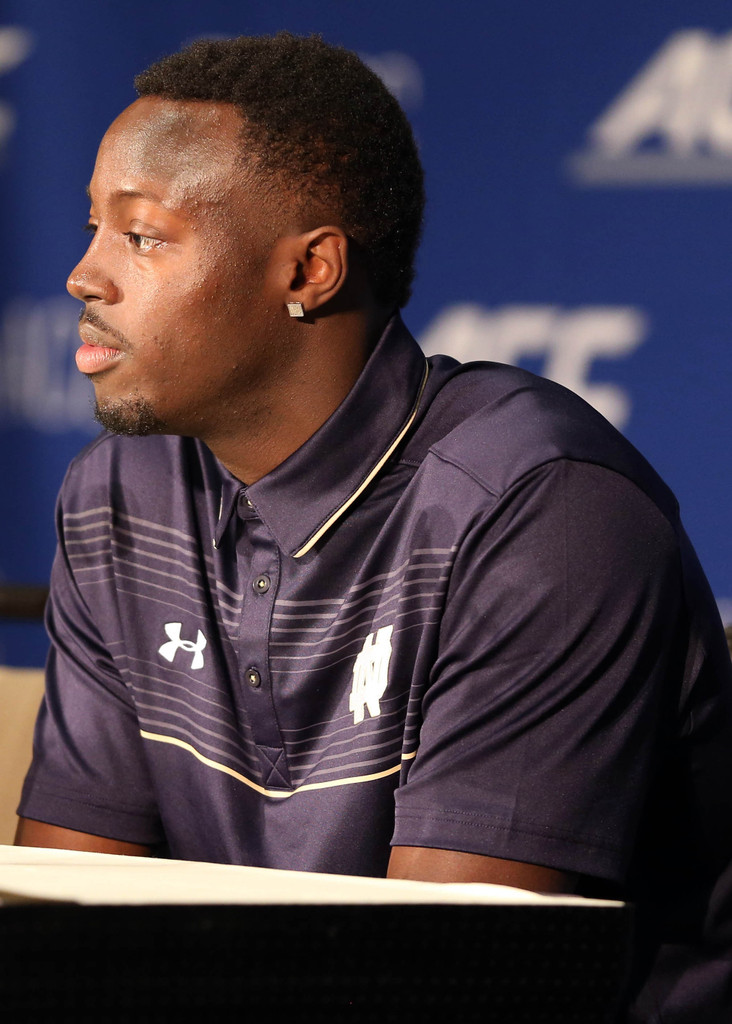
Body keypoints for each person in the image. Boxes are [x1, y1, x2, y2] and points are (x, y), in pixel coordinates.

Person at [14, 32, 732, 1021]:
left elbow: (444, 980)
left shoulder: (543, 510)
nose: (83, 278)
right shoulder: (116, 494)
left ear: (309, 270)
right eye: (94, 227)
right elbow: (59, 936)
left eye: (141, 236)